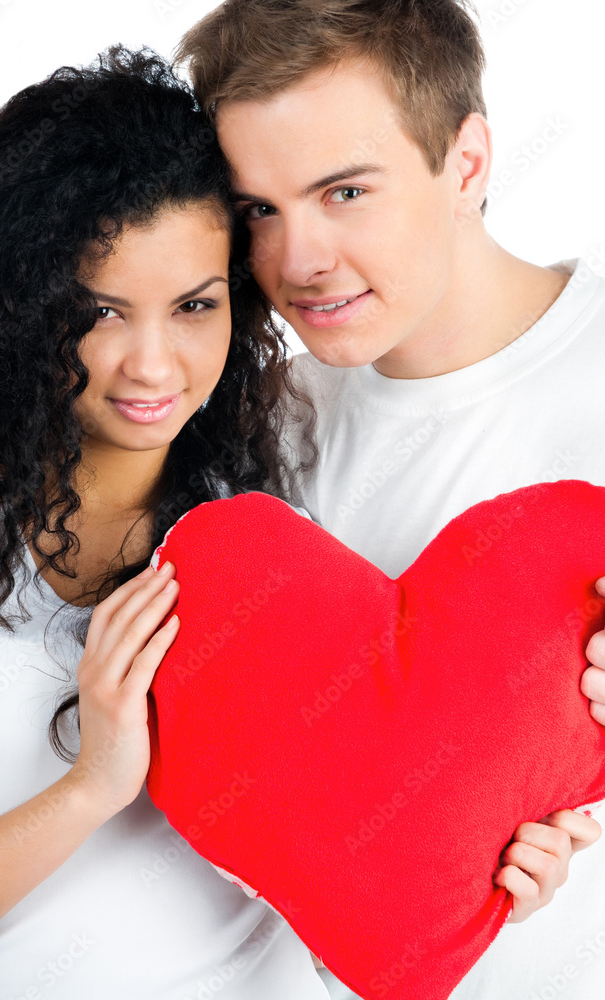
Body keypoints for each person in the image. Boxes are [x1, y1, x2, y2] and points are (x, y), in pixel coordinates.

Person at [177, 1, 605, 997]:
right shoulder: (250, 423)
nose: (297, 260)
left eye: (344, 192)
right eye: (258, 209)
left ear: (466, 165)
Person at [0, 45, 328, 1000]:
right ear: (18, 308)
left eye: (195, 304)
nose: (154, 368)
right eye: (101, 312)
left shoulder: (289, 492)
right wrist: (93, 788)